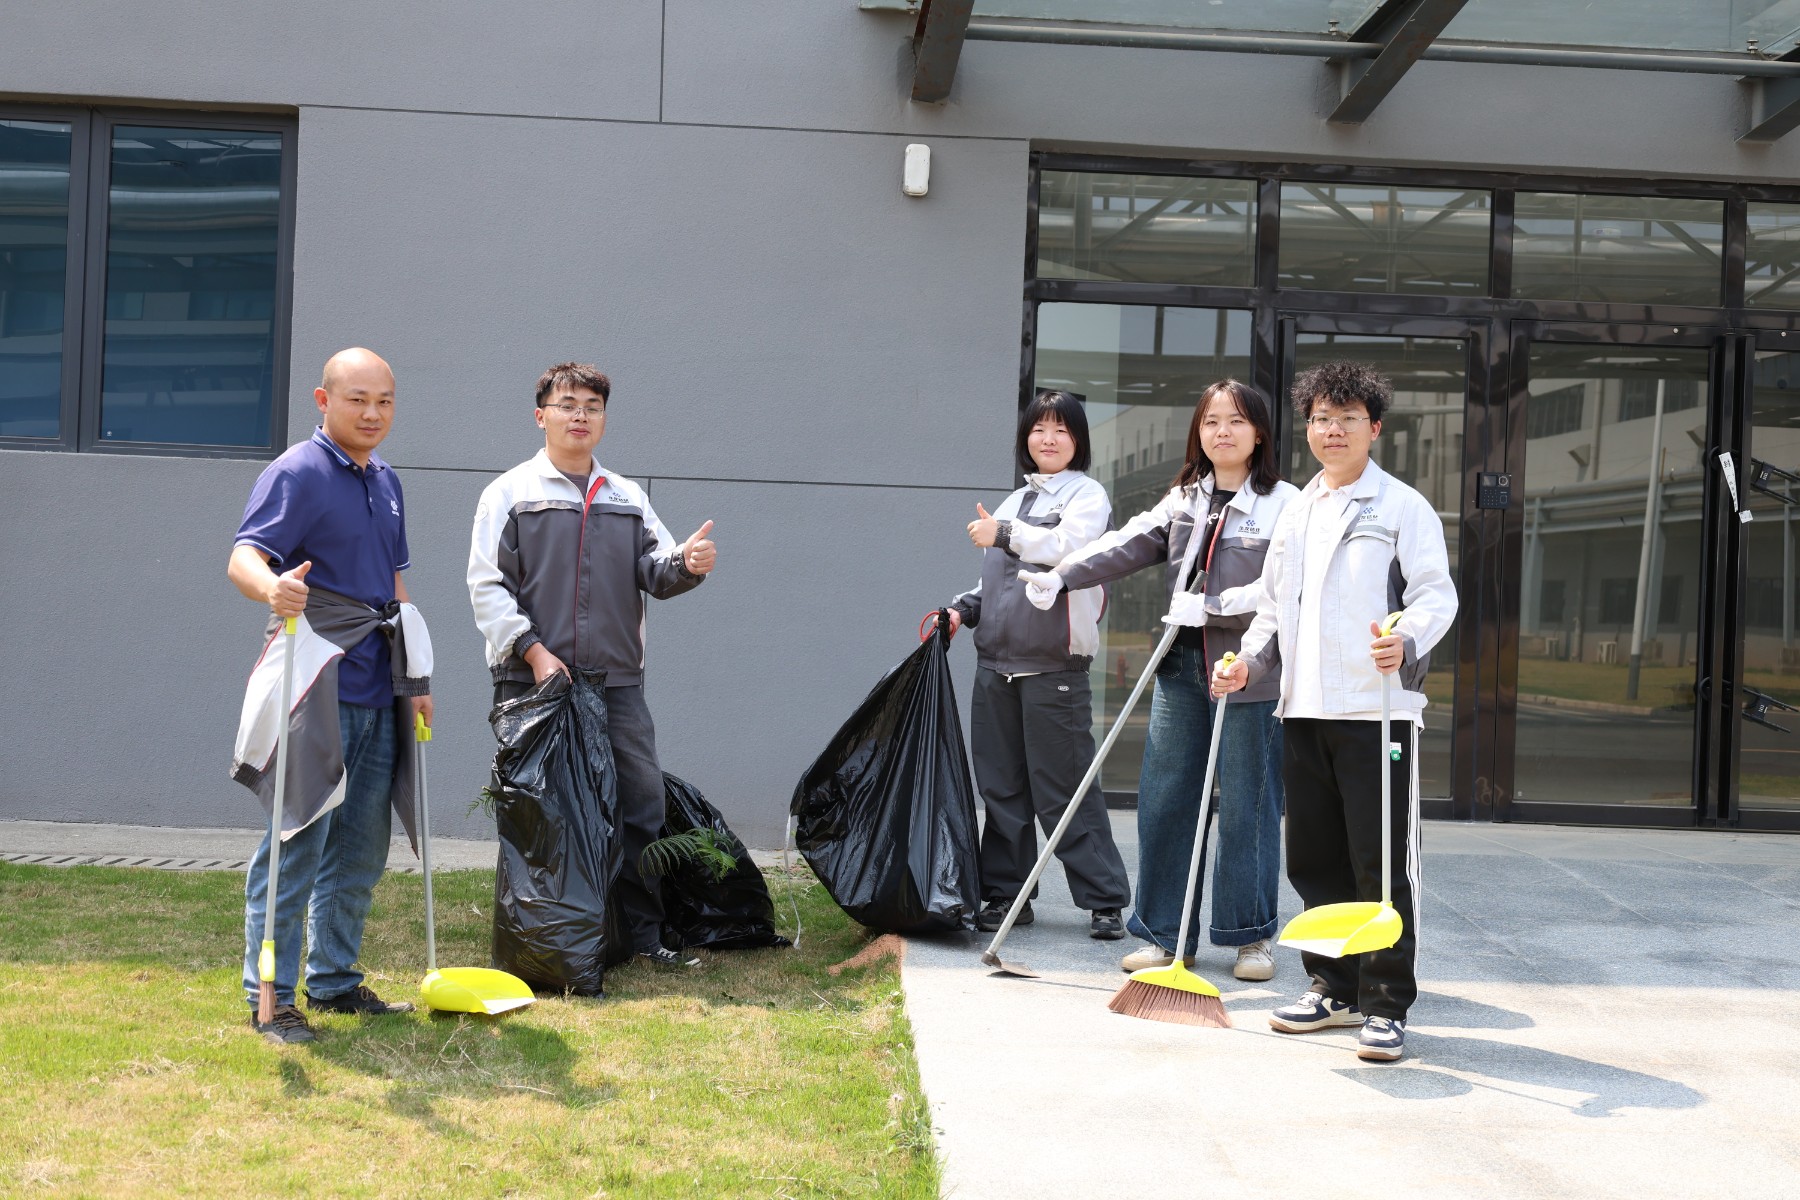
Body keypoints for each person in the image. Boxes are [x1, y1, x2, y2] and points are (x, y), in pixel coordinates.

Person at [1213, 360, 1457, 1063]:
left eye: (1348, 419)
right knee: (1315, 862)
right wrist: (1248, 663)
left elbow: (1436, 595)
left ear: (1373, 428)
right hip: (1304, 710)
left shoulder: (1402, 507)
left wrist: (1406, 639)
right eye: (1322, 418)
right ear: (1309, 427)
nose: (1333, 431)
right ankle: (1332, 988)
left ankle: (1385, 1005)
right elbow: (1272, 607)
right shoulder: (1297, 511)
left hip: (1377, 714)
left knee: (1380, 867)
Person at [1023, 380, 1299, 982]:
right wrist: (1061, 576)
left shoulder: (1286, 505)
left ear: (1259, 433)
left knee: (1249, 806)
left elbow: (1284, 591)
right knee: (1167, 800)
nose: (1222, 431)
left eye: (1236, 421)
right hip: (1180, 667)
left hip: (1248, 674)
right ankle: (1164, 933)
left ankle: (1250, 938)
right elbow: (1125, 543)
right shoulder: (1184, 498)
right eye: (1211, 421)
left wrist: (1216, 607)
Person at [468, 361, 716, 969]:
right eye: (567, 404)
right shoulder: (509, 494)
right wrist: (534, 652)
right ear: (541, 416)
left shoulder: (626, 497)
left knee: (640, 803)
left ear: (604, 419)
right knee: (540, 810)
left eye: (592, 407)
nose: (580, 416)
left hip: (616, 682)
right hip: (532, 680)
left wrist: (689, 564)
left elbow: (657, 571)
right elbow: (487, 586)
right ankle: (542, 937)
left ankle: (640, 934)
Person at [228, 347, 433, 1044]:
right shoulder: (297, 471)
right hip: (316, 676)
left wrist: (416, 679)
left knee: (361, 847)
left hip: (379, 682)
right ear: (323, 400)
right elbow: (244, 557)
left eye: (385, 401)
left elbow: (395, 588)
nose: (372, 413)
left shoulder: (387, 480)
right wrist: (273, 588)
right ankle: (270, 998)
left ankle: (335, 981)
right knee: (297, 838)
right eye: (357, 400)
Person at [932, 388, 1131, 939]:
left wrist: (1005, 534)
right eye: (1039, 428)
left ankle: (1105, 900)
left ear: (1078, 440)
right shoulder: (1014, 500)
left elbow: (1069, 548)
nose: (1048, 438)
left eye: (1061, 429)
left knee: (1063, 789)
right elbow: (994, 578)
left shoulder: (1087, 496)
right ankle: (1006, 896)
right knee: (1001, 788)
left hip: (1054, 666)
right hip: (995, 666)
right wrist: (962, 609)